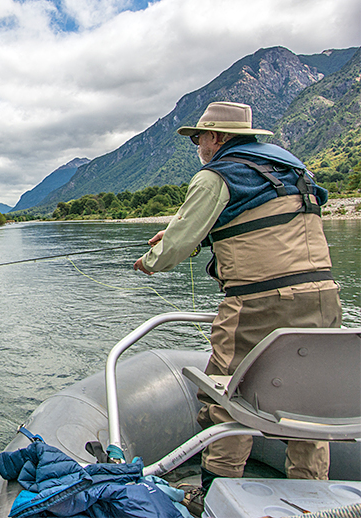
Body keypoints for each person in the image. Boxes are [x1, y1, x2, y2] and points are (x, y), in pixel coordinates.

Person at [132, 101, 342, 513]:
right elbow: (265, 222)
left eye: (199, 137)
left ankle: (214, 492)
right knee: (311, 402)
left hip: (259, 304)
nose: (196, 145)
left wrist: (151, 262)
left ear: (217, 137)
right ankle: (313, 498)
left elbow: (177, 244)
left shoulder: (216, 175)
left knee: (229, 398)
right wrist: (201, 236)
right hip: (325, 298)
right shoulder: (294, 169)